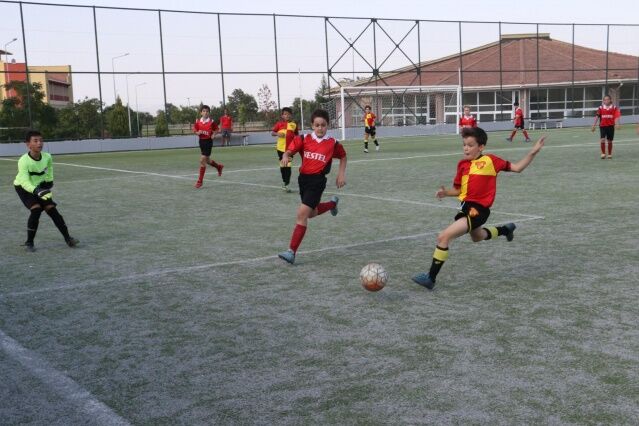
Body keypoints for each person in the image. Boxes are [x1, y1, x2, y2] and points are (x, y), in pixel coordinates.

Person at [412, 127, 545, 289]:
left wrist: (533, 152)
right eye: (464, 145)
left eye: (470, 145)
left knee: (443, 237)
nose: (466, 148)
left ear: (481, 147)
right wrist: (446, 193)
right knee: (478, 237)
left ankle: (430, 278)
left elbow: (517, 168)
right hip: (465, 208)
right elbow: (459, 190)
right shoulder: (462, 165)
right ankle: (505, 230)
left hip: (478, 210)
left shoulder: (491, 160)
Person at [278, 109, 347, 264]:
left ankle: (291, 252)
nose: (320, 128)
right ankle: (332, 204)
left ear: (328, 125)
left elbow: (343, 156)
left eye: (323, 125)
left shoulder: (333, 143)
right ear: (312, 125)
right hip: (303, 180)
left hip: (317, 181)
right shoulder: (304, 139)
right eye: (317, 125)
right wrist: (285, 155)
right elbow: (289, 151)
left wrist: (341, 174)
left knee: (302, 214)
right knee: (311, 213)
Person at [13, 130, 78, 252]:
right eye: (35, 141)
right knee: (36, 209)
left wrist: (49, 181)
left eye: (41, 140)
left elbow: (50, 170)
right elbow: (25, 182)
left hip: (39, 186)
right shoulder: (23, 161)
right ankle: (29, 243)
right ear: (28, 144)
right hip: (23, 187)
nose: (39, 143)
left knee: (52, 209)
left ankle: (68, 239)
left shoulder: (47, 156)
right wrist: (36, 190)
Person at [193, 105, 223, 188]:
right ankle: (219, 167)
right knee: (207, 160)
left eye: (207, 111)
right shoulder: (198, 122)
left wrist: (213, 134)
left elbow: (217, 129)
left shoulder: (211, 122)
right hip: (201, 142)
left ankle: (200, 181)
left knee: (202, 160)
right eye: (204, 111)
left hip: (208, 142)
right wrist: (197, 132)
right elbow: (195, 130)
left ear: (209, 113)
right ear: (201, 113)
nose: (205, 112)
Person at [271, 107, 298, 192]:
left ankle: (286, 183)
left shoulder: (294, 125)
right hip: (280, 148)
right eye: (285, 114)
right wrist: (277, 134)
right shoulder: (279, 124)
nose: (287, 115)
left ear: (291, 115)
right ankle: (284, 182)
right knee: (283, 166)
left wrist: (297, 144)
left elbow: (297, 136)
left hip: (290, 149)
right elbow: (272, 133)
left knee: (288, 165)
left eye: (289, 114)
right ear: (282, 116)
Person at [591, 95, 621, 159]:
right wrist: (594, 125)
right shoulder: (601, 107)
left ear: (610, 100)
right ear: (603, 101)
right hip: (603, 126)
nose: (606, 101)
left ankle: (609, 154)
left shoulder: (614, 107)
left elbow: (616, 116)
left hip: (610, 126)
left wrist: (617, 124)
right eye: (605, 100)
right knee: (602, 139)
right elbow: (597, 116)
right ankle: (603, 153)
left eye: (608, 99)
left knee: (609, 141)